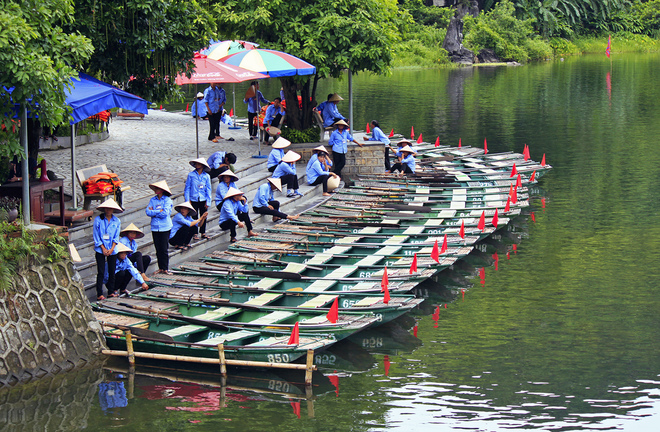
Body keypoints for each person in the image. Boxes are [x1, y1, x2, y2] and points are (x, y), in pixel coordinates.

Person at [93, 198, 123, 300]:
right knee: (101, 271)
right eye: (107, 208)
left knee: (112, 270)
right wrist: (102, 247)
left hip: (112, 249)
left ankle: (111, 291)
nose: (108, 210)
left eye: (110, 209)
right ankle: (99, 293)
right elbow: (96, 235)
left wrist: (111, 248)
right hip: (100, 248)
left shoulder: (116, 221)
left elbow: (116, 236)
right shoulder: (98, 219)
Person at [145, 180, 173, 275]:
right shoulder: (153, 200)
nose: (156, 190)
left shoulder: (167, 200)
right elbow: (148, 212)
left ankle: (165, 268)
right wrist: (158, 211)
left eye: (157, 188)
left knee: (164, 248)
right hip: (155, 227)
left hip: (165, 227)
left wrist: (154, 212)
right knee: (158, 249)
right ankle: (160, 267)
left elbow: (165, 213)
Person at [184, 158, 212, 240]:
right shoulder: (191, 175)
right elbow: (187, 188)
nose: (197, 165)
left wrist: (208, 201)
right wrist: (187, 200)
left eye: (198, 164)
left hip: (203, 198)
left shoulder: (206, 176)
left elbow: (208, 189)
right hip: (193, 198)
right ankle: (194, 233)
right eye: (196, 164)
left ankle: (203, 232)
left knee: (203, 216)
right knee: (194, 216)